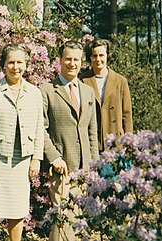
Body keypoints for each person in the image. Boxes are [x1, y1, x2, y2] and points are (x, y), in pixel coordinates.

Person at [0, 43, 44, 241]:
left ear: (26, 65)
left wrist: (36, 159)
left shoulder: (35, 93)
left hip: (21, 163)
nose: (15, 67)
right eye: (10, 62)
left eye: (20, 62)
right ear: (3, 66)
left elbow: (39, 128)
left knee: (17, 211)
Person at [39, 40, 99, 241]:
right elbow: (41, 129)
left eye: (76, 60)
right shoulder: (46, 90)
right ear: (60, 60)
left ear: (82, 62)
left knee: (78, 221)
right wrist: (54, 158)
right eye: (68, 59)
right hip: (61, 168)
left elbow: (92, 132)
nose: (72, 64)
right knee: (61, 217)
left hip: (84, 170)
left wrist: (94, 166)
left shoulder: (88, 91)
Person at [82, 39, 133, 152]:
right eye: (94, 56)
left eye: (101, 55)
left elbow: (127, 114)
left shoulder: (120, 81)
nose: (98, 59)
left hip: (116, 142)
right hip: (92, 143)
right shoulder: (83, 80)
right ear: (90, 58)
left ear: (107, 56)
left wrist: (129, 141)